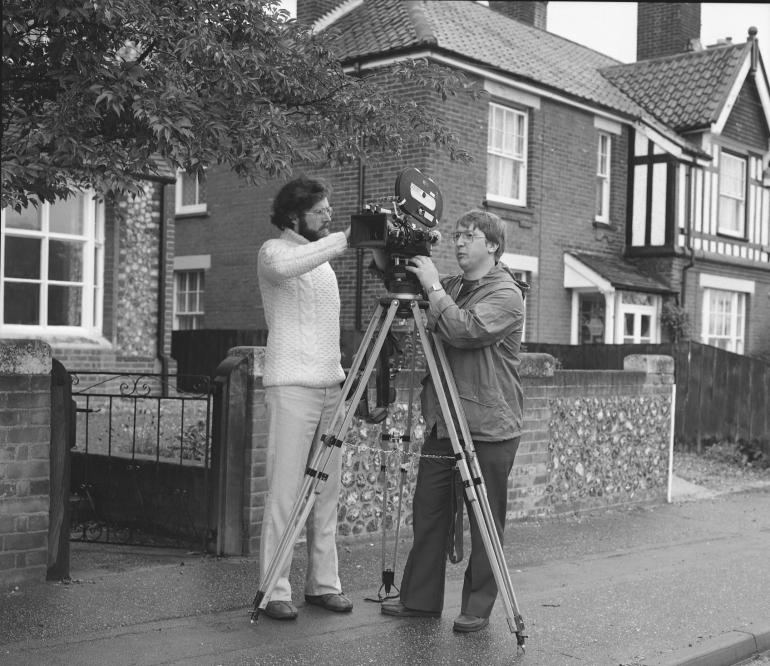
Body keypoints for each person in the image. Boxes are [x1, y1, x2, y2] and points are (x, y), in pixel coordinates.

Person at [377, 209, 527, 633]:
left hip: (489, 425)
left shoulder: (506, 294)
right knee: (429, 511)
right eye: (457, 235)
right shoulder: (454, 285)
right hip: (445, 419)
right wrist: (389, 251)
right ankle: (421, 601)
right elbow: (413, 299)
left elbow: (464, 331)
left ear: (492, 245)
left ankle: (477, 606)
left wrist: (430, 286)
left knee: (484, 520)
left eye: (470, 236)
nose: (459, 242)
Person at [256, 176, 353, 620]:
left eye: (330, 210)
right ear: (295, 216)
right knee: (285, 492)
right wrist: (341, 240)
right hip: (291, 386)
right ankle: (274, 589)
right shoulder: (274, 252)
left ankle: (323, 584)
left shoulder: (323, 261)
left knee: (327, 493)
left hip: (330, 386)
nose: (329, 216)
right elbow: (287, 267)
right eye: (320, 211)